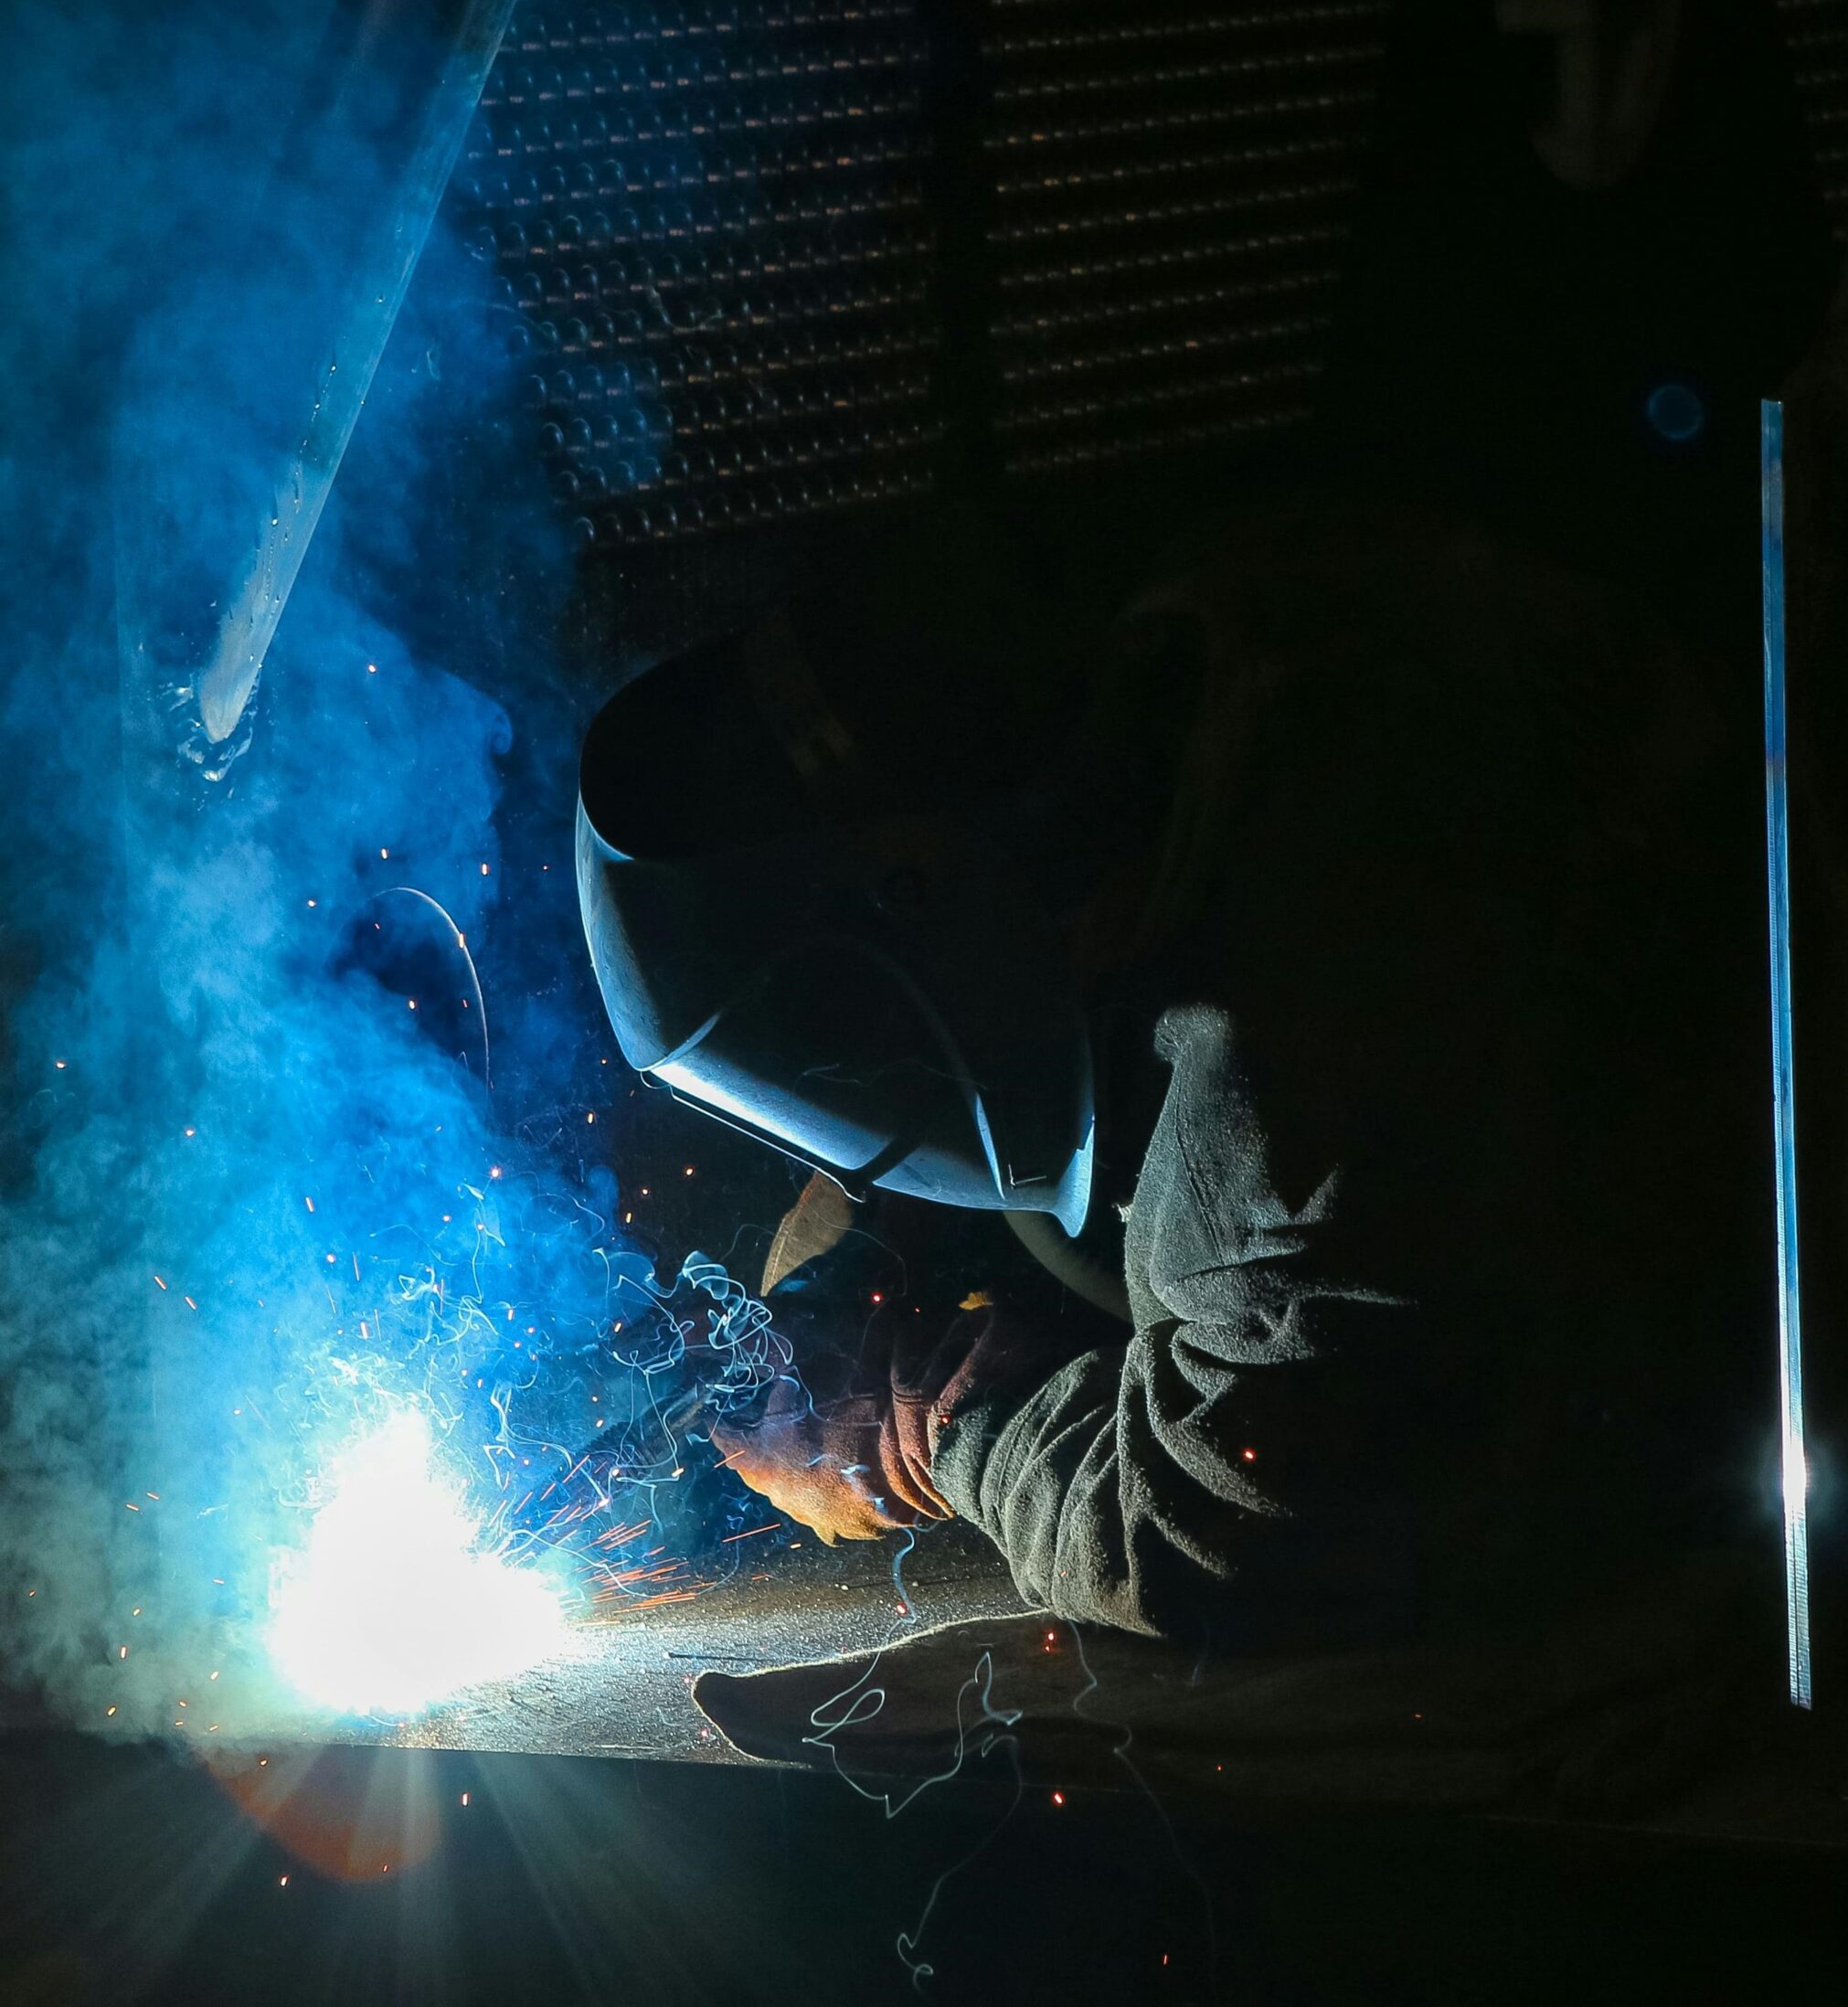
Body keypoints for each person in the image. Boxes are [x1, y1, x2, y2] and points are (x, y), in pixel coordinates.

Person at [583, 504, 1771, 1654]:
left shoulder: (1277, 1067)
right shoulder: (1211, 630)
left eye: (844, 1050)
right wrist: (872, 1255)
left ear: (917, 902)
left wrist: (933, 1425)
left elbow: (1217, 1534)